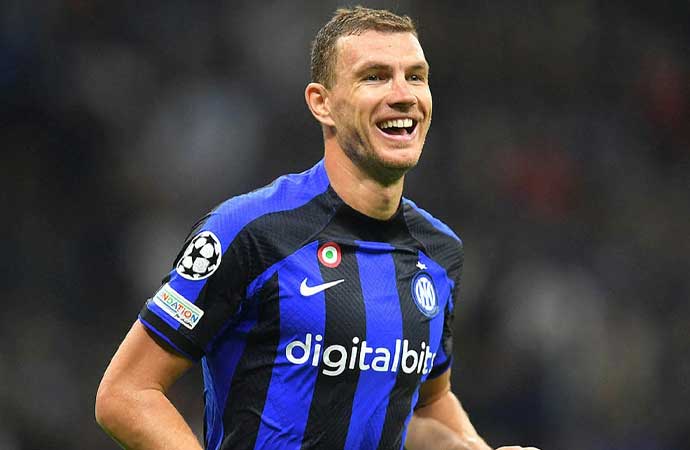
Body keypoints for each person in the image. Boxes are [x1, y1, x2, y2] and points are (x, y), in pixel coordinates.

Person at [96, 7, 540, 450]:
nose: (403, 94)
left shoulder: (439, 253)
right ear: (321, 103)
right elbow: (127, 393)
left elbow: (424, 406)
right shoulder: (251, 231)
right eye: (375, 77)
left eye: (415, 77)